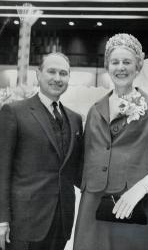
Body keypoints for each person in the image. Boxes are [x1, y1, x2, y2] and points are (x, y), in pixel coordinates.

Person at [73, 33, 148, 250]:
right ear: (107, 66)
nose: (121, 67)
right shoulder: (94, 109)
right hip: (93, 201)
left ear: (138, 66)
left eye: (127, 62)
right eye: (115, 62)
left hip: (134, 204)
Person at [0, 52, 83, 250]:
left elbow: (78, 170)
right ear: (38, 74)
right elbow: (2, 170)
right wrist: (2, 219)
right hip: (23, 223)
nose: (57, 78)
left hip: (61, 222)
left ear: (69, 77)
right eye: (51, 71)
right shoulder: (14, 112)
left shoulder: (75, 119)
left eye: (63, 73)